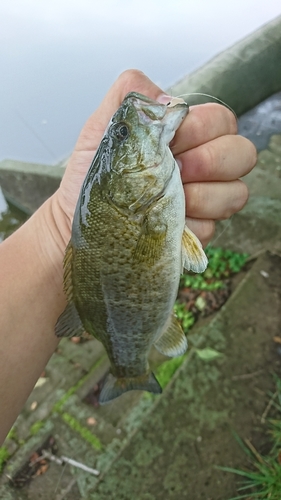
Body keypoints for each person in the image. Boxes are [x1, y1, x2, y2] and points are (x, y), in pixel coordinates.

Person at [0, 70, 257, 445]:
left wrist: (59, 227)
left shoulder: (126, 200)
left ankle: (129, 368)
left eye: (118, 135)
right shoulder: (126, 200)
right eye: (120, 135)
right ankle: (131, 370)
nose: (124, 125)